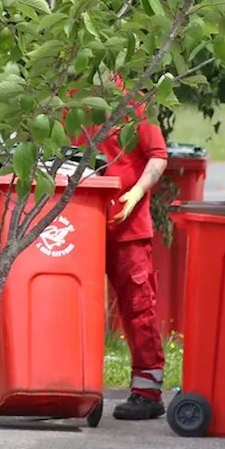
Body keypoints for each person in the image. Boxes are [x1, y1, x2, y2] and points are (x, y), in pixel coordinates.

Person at [73, 76, 170, 420]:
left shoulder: (132, 102)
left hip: (125, 226)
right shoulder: (66, 101)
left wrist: (138, 191)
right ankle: (66, 384)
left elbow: (158, 157)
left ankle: (147, 392)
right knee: (70, 306)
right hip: (79, 224)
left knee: (137, 308)